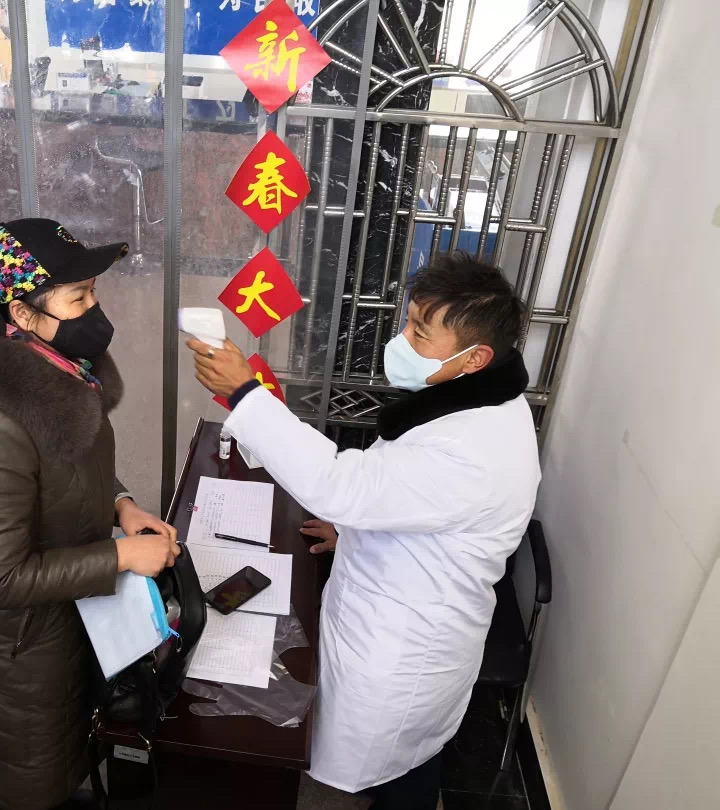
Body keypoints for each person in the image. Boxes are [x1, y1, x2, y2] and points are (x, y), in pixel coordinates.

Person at [187, 253, 541, 810]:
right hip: (387, 608)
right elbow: (399, 492)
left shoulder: (476, 449)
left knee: (390, 771)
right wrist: (354, 528)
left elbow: (340, 483)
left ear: (475, 357)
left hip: (402, 651)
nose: (402, 340)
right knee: (401, 760)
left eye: (420, 332)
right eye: (409, 321)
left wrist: (246, 396)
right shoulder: (474, 398)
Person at [0, 218, 181, 810]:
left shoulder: (61, 374)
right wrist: (120, 556)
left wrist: (120, 505)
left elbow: (72, 468)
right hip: (19, 649)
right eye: (79, 298)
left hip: (67, 613)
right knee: (29, 780)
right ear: (22, 313)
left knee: (74, 745)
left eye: (93, 293)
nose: (96, 311)